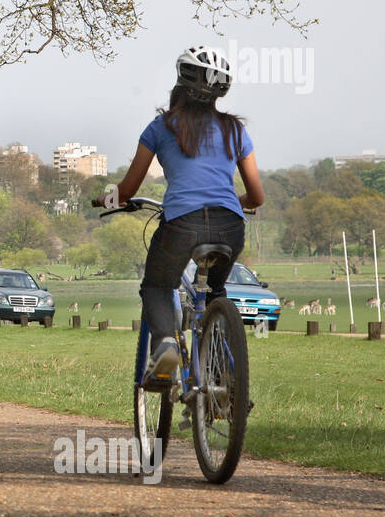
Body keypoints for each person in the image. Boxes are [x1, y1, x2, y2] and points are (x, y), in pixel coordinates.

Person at [105, 46, 265, 388]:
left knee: (158, 286)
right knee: (216, 292)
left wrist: (110, 198)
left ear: (180, 80)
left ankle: (165, 345)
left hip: (182, 223)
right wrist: (237, 200)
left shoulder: (161, 127)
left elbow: (129, 188)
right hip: (230, 225)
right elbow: (257, 196)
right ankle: (223, 378)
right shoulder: (236, 131)